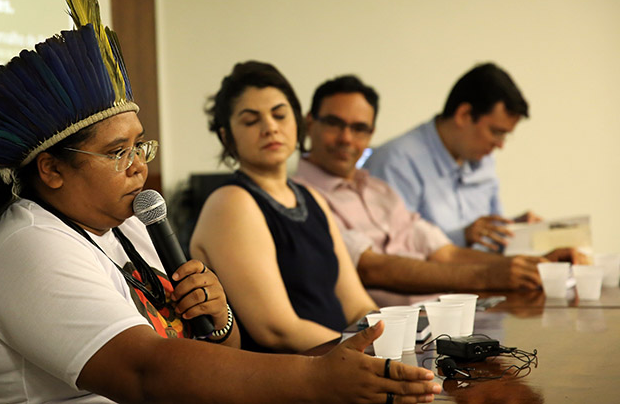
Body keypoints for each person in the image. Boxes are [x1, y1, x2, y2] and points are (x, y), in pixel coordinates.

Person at [0, 0, 440, 403]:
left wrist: (218, 319)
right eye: (117, 152)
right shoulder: (29, 245)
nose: (138, 166)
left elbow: (216, 351)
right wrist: (313, 379)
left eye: (140, 146)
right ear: (51, 169)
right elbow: (146, 374)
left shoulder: (128, 227)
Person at [294, 75, 584, 295]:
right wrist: (491, 276)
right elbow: (373, 268)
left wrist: (534, 264)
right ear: (310, 123)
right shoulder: (299, 197)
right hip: (397, 329)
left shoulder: (376, 189)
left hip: (443, 312)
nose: (346, 138)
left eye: (360, 129)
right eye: (334, 123)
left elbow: (445, 252)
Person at [190, 61, 381, 355]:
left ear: (298, 123)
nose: (270, 128)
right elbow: (277, 330)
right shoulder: (230, 203)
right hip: (288, 371)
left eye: (279, 115)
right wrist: (362, 354)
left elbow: (357, 304)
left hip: (338, 359)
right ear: (227, 137)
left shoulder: (311, 197)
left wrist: (390, 340)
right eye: (251, 121)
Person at [364, 63, 541, 251]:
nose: (500, 145)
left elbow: (486, 235)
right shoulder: (396, 162)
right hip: (436, 270)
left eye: (505, 136)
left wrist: (513, 230)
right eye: (496, 132)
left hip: (484, 267)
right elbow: (392, 250)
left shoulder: (483, 159)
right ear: (464, 115)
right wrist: (461, 237)